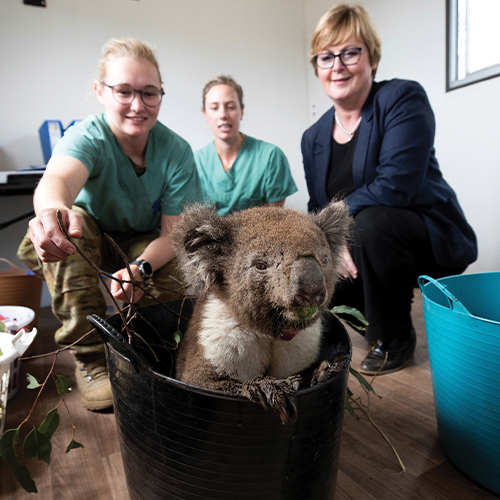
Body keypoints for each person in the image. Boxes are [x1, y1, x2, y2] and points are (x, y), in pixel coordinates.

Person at [17, 38, 203, 410]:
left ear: (160, 96)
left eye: (150, 93)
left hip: (144, 240)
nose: (138, 105)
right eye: (125, 92)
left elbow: (174, 234)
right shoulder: (88, 136)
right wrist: (52, 212)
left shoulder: (176, 151)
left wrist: (141, 268)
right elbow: (57, 182)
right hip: (91, 236)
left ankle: (149, 354)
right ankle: (89, 358)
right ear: (101, 91)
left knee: (178, 276)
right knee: (73, 224)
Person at [302, 5, 477, 375]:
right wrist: (330, 242)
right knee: (316, 261)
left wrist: (339, 225)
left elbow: (395, 185)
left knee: (371, 222)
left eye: (350, 52)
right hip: (362, 244)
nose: (337, 65)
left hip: (423, 235)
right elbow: (318, 205)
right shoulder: (313, 137)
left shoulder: (401, 99)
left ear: (372, 59)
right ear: (316, 66)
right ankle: (375, 319)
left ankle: (394, 338)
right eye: (326, 56)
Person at [194, 75, 297, 215]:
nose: (223, 114)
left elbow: (274, 221)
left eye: (230, 107)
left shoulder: (270, 157)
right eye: (214, 108)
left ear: (241, 111)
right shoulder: (194, 162)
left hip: (257, 237)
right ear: (205, 113)